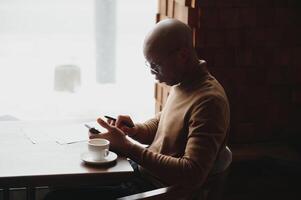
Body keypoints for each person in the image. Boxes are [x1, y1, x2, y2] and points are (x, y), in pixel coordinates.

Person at [45, 18, 231, 200]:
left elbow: (192, 174)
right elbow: (162, 123)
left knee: (57, 196)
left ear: (182, 56)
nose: (152, 73)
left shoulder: (209, 102)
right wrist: (134, 130)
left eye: (155, 66)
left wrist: (127, 146)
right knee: (61, 183)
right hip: (142, 174)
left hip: (154, 189)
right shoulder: (182, 83)